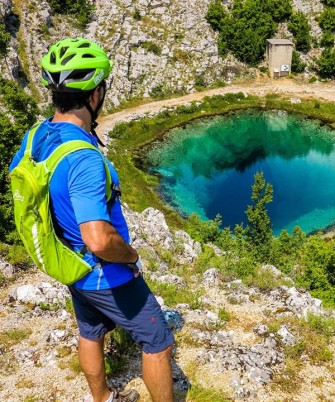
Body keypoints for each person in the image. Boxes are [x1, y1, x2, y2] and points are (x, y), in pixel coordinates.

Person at [9, 38, 175, 402]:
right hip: (105, 272)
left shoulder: (37, 136)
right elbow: (99, 238)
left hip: (69, 262)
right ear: (94, 94)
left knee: (90, 332)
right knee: (158, 342)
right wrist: (130, 256)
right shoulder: (83, 159)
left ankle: (101, 398)